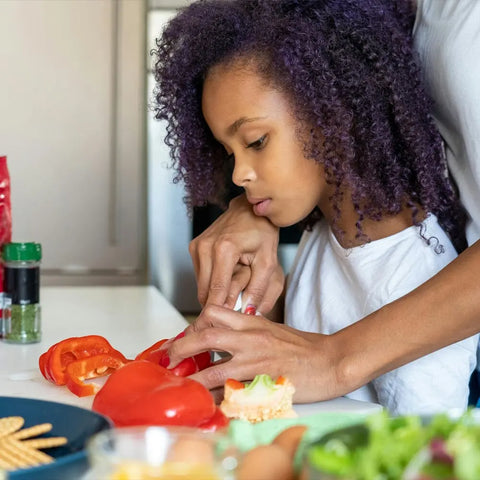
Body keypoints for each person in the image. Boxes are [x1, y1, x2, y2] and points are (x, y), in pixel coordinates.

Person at [152, 0, 478, 414]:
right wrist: (261, 311)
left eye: (255, 142)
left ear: (335, 113)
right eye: (228, 152)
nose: (237, 176)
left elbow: (424, 453)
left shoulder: (408, 270)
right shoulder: (325, 237)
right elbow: (306, 359)